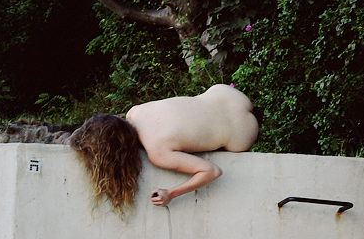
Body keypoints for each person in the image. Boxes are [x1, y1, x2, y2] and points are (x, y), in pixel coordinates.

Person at [69, 84, 258, 212]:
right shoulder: (136, 111)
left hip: (242, 133)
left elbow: (212, 171)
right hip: (227, 93)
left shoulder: (157, 152)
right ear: (117, 119)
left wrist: (171, 193)